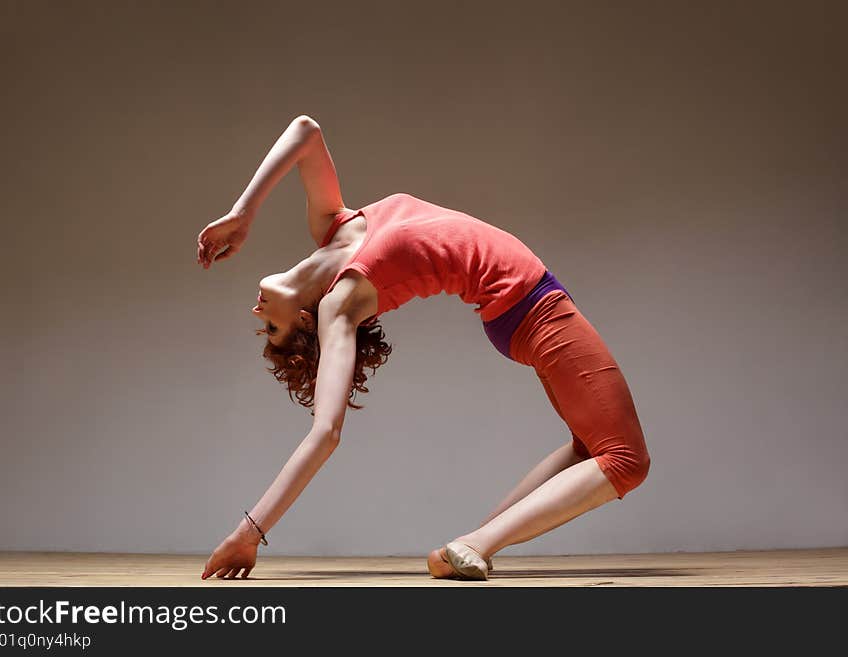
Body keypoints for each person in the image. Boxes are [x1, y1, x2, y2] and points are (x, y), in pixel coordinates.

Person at [196, 115, 651, 581]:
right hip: (531, 308)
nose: (256, 313)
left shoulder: (333, 227)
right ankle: (476, 544)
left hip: (524, 304)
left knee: (589, 448)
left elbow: (307, 132)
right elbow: (325, 433)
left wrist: (243, 213)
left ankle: (469, 544)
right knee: (627, 461)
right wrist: (250, 532)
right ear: (306, 322)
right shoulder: (340, 306)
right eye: (273, 329)